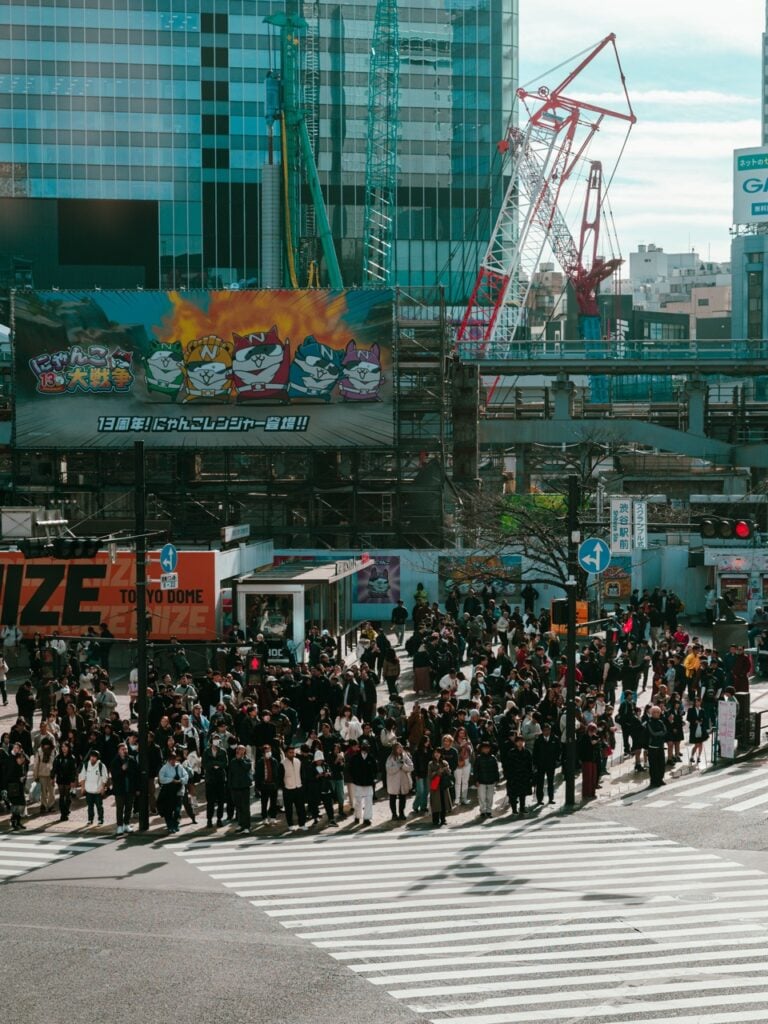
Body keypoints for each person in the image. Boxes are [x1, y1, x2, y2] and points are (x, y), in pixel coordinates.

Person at [110, 741, 139, 836]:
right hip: (120, 789)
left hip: (130, 788)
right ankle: (119, 826)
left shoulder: (131, 760)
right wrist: (121, 769)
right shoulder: (115, 761)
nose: (125, 750)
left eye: (126, 749)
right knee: (120, 808)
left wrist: (137, 789)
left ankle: (127, 824)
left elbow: (136, 775)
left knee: (129, 808)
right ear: (119, 751)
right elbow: (114, 776)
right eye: (123, 749)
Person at [157, 747, 189, 834]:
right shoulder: (164, 768)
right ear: (168, 760)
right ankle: (170, 825)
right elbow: (161, 779)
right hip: (168, 791)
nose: (172, 761)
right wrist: (171, 780)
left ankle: (176, 824)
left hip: (179, 790)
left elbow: (186, 776)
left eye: (174, 759)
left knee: (177, 809)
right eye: (171, 759)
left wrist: (180, 780)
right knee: (169, 809)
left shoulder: (180, 767)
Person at [503, 733, 534, 816]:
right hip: (513, 776)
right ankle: (514, 809)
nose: (520, 743)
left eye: (522, 741)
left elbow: (530, 765)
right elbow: (507, 765)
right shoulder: (511, 752)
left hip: (524, 776)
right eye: (518, 741)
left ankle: (522, 808)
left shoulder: (527, 752)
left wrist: (531, 776)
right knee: (513, 794)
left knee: (523, 793)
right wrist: (508, 775)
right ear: (515, 743)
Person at [349, 739, 377, 826]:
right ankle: (357, 816)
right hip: (358, 783)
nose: (365, 749)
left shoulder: (371, 758)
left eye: (367, 747)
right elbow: (351, 770)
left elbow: (375, 769)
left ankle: (367, 818)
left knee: (369, 801)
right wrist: (355, 780)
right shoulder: (355, 758)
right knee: (358, 801)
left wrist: (373, 779)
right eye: (363, 746)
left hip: (368, 783)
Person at [203, 736, 229, 829]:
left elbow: (225, 763)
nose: (216, 741)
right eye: (215, 740)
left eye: (218, 740)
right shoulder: (206, 751)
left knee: (221, 800)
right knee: (210, 801)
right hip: (210, 778)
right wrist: (215, 763)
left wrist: (216, 764)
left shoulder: (223, 751)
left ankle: (219, 819)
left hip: (220, 778)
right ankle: (209, 819)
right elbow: (205, 764)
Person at [254, 743, 283, 824]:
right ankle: (264, 817)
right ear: (263, 753)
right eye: (267, 751)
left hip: (273, 785)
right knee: (264, 802)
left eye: (269, 751)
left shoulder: (274, 761)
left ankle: (273, 817)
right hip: (264, 785)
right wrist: (257, 787)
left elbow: (277, 773)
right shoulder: (260, 762)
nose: (269, 752)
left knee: (273, 802)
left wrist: (278, 784)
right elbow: (257, 775)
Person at [532, 723, 560, 805]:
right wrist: (535, 764)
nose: (547, 732)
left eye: (548, 730)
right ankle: (539, 799)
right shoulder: (538, 740)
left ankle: (551, 798)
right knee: (540, 783)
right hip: (540, 764)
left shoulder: (555, 739)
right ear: (542, 731)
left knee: (550, 782)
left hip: (551, 764)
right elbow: (535, 753)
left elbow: (558, 750)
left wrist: (556, 760)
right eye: (545, 730)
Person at [79, 748, 108, 826]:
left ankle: (100, 820)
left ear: (97, 758)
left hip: (98, 790)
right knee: (90, 807)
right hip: (89, 790)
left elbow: (104, 778)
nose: (92, 758)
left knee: (99, 806)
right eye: (91, 756)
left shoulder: (101, 765)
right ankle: (90, 819)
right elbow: (82, 777)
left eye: (94, 756)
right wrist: (82, 787)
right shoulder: (86, 765)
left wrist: (103, 788)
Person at [228, 744, 253, 833]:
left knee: (245, 807)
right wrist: (230, 786)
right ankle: (240, 824)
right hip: (235, 787)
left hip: (244, 787)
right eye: (238, 749)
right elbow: (230, 774)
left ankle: (247, 826)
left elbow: (247, 768)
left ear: (244, 751)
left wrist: (240, 759)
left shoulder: (247, 760)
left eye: (241, 749)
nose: (239, 751)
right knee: (238, 807)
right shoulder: (233, 761)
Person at [282, 746, 308, 831]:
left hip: (298, 787)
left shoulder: (298, 761)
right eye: (290, 752)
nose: (292, 754)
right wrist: (284, 787)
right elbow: (280, 777)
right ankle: (290, 825)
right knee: (288, 808)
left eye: (293, 752)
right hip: (288, 788)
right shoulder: (282, 763)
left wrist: (302, 785)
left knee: (301, 807)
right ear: (286, 753)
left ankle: (302, 824)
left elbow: (302, 774)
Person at [385, 742, 413, 821]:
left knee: (403, 798)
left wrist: (403, 765)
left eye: (401, 747)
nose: (400, 749)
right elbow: (389, 770)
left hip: (403, 781)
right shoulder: (390, 758)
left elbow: (411, 767)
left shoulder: (405, 756)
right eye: (398, 748)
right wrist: (398, 766)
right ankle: (394, 814)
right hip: (393, 782)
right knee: (392, 798)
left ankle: (401, 813)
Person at [52, 739, 78, 822]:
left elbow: (73, 770)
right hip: (60, 778)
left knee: (67, 796)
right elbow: (54, 768)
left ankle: (66, 811)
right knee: (61, 796)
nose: (64, 748)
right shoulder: (58, 757)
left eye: (65, 747)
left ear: (68, 748)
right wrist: (52, 777)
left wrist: (73, 780)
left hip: (68, 779)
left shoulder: (72, 758)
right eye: (62, 747)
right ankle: (63, 813)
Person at [474, 739, 500, 818]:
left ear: (490, 749)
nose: (486, 749)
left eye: (487, 748)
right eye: (484, 748)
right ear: (481, 749)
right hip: (481, 781)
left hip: (491, 780)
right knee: (481, 797)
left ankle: (489, 811)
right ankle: (482, 811)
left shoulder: (493, 758)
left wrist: (496, 779)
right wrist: (476, 780)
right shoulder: (478, 758)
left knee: (490, 797)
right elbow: (475, 770)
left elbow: (496, 769)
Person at [427, 747, 453, 827]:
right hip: (435, 785)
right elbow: (430, 775)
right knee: (436, 803)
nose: (437, 754)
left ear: (441, 754)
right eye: (435, 752)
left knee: (443, 802)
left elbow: (449, 773)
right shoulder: (431, 763)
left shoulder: (445, 762)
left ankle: (443, 819)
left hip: (443, 785)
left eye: (438, 752)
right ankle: (435, 820)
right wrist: (438, 772)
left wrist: (447, 770)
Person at [645, 705, 668, 788]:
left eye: (658, 712)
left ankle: (660, 779)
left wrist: (660, 734)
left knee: (661, 764)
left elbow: (665, 731)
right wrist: (660, 733)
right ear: (651, 713)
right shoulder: (649, 722)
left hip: (660, 746)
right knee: (653, 765)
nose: (656, 714)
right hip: (652, 747)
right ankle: (654, 781)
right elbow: (653, 733)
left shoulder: (661, 722)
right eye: (654, 712)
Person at [32, 737, 56, 814]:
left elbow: (56, 763)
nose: (46, 746)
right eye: (45, 745)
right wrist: (35, 776)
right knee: (43, 792)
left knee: (52, 791)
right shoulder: (39, 751)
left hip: (51, 774)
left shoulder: (54, 751)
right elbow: (36, 764)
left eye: (47, 745)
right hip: (41, 774)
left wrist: (56, 774)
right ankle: (44, 806)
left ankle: (51, 805)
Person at [578, 723, 602, 800]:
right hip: (586, 759)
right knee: (587, 777)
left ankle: (592, 793)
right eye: (591, 731)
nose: (593, 733)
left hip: (594, 759)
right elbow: (581, 749)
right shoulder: (584, 738)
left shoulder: (595, 737)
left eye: (594, 731)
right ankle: (586, 793)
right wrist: (591, 744)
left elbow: (598, 747)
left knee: (593, 777)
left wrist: (595, 743)